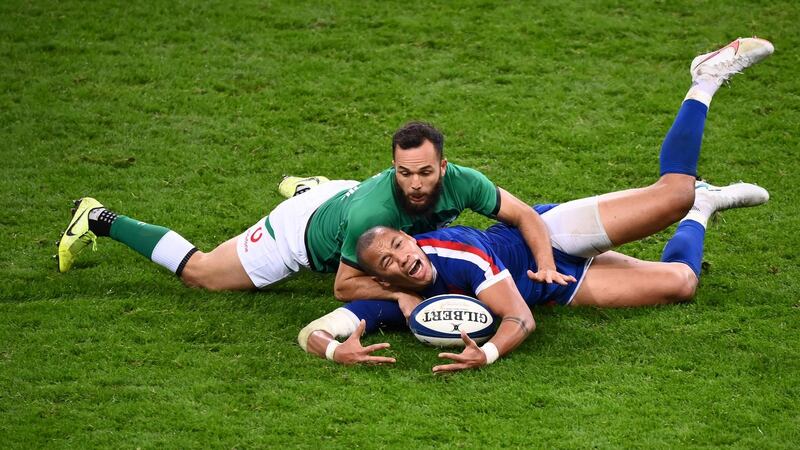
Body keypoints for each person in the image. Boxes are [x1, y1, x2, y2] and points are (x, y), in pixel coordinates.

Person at [297, 37, 774, 372]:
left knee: (672, 194)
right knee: (681, 284)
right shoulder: (398, 297)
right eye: (389, 263)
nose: (403, 259)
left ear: (409, 237)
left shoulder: (457, 251)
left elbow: (519, 319)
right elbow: (314, 331)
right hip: (552, 288)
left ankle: (705, 78)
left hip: (550, 236)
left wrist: (486, 353)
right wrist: (337, 350)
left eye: (400, 246)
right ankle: (702, 208)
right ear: (382, 279)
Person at [56, 123, 574, 305]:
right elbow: (344, 286)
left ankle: (316, 190)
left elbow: (525, 216)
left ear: (443, 165)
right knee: (204, 274)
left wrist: (547, 264)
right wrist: (403, 294)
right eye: (403, 173)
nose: (415, 184)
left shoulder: (465, 181)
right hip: (300, 235)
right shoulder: (375, 210)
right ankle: (98, 217)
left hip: (346, 199)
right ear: (392, 167)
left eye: (424, 172)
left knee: (369, 229)